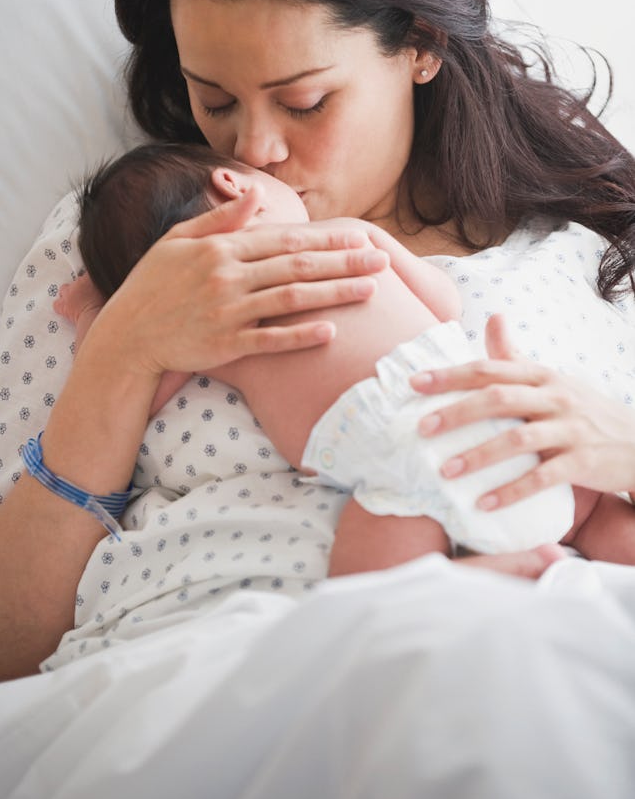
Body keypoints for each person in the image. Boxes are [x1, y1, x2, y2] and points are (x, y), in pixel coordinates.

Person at [0, 0, 634, 688]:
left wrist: (621, 450)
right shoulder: (133, 236)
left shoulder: (587, 251)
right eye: (216, 101)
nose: (253, 149)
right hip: (184, 687)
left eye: (304, 103)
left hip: (532, 663)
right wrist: (124, 349)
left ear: (422, 47)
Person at [57, 139, 635, 573]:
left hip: (395, 464)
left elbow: (146, 390)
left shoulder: (206, 333)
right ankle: (573, 543)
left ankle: (494, 576)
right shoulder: (346, 235)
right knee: (590, 512)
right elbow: (443, 301)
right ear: (237, 186)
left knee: (373, 583)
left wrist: (97, 319)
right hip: (483, 416)